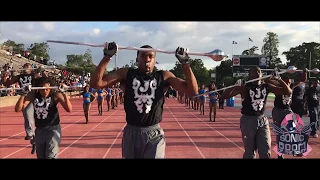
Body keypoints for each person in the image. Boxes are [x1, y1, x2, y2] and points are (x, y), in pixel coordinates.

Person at [90, 42, 198, 158]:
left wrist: (185, 63)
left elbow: (192, 91)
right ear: (137, 59)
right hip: (131, 132)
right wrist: (107, 57)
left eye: (150, 56)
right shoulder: (126, 74)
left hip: (154, 134)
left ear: (154, 59)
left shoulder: (164, 76)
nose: (147, 59)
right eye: (143, 56)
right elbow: (96, 84)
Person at [221, 66, 292, 159]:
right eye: (254, 72)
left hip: (262, 119)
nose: (257, 73)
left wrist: (279, 79)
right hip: (248, 120)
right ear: (250, 75)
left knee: (266, 150)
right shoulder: (245, 87)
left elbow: (288, 92)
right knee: (250, 152)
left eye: (259, 71)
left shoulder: (266, 86)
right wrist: (235, 86)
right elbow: (224, 96)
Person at [14, 77, 72, 159]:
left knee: (50, 156)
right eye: (42, 89)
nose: (45, 91)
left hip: (53, 129)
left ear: (50, 88)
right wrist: (23, 94)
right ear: (38, 89)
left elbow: (69, 109)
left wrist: (64, 93)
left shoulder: (55, 95)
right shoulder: (33, 95)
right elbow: (18, 109)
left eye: (47, 89)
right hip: (39, 130)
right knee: (41, 156)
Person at [4, 63, 42, 140]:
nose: (26, 68)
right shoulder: (19, 77)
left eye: (28, 66)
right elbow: (7, 83)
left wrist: (41, 72)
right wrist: (5, 75)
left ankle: (39, 132)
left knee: (39, 116)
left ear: (31, 68)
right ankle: (31, 134)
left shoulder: (34, 75)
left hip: (35, 97)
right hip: (25, 97)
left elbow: (45, 81)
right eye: (25, 66)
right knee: (28, 115)